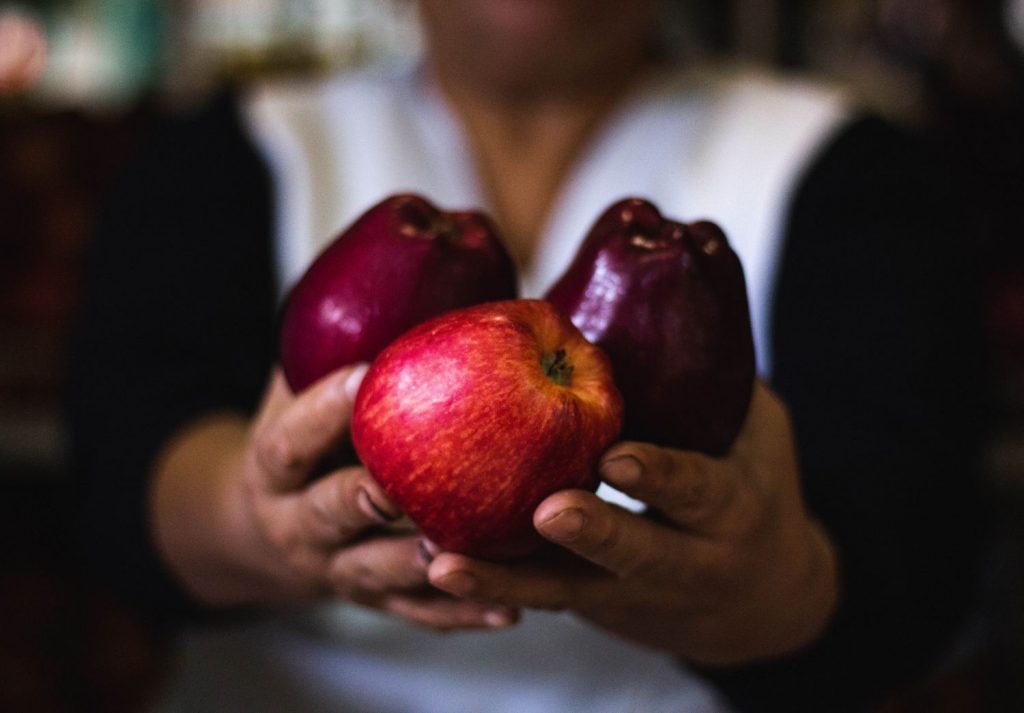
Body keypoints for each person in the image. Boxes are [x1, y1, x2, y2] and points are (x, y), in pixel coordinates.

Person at [69, 1, 986, 711]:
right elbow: (117, 463)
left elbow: (922, 556)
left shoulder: (853, 170)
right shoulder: (218, 155)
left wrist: (784, 587)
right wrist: (246, 519)